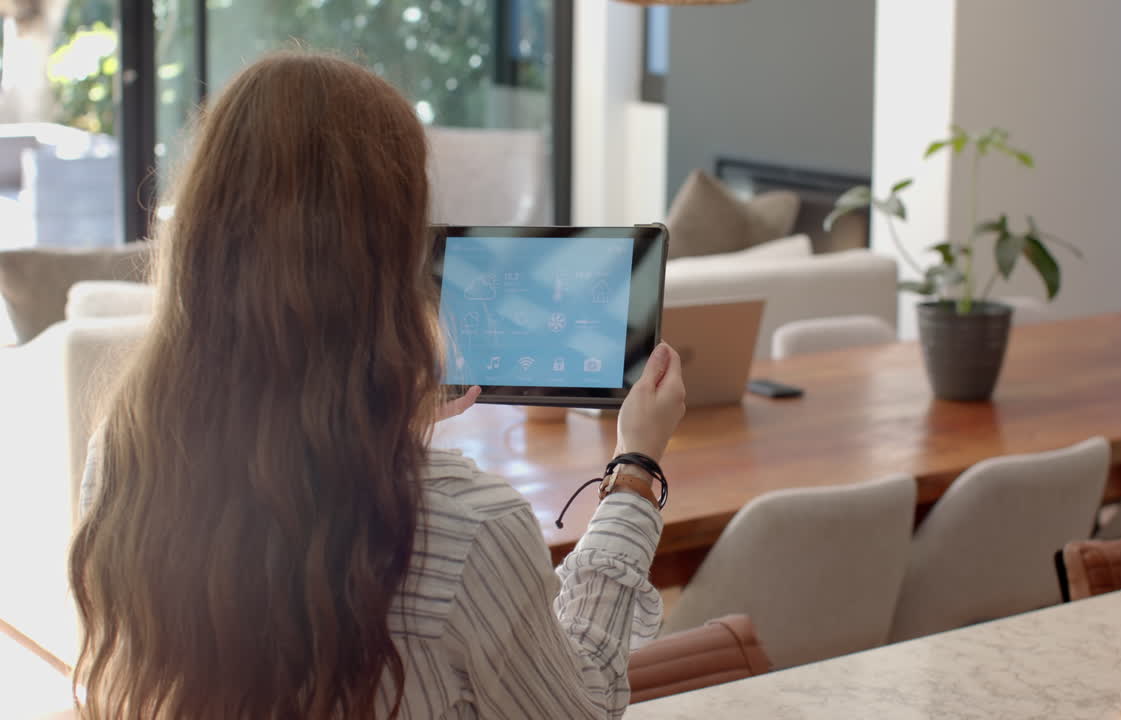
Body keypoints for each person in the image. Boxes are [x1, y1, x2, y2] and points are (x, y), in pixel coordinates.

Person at [68, 51, 685, 719]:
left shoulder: (122, 461)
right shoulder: (470, 528)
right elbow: (582, 706)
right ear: (393, 264)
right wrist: (634, 470)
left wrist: (383, 422)